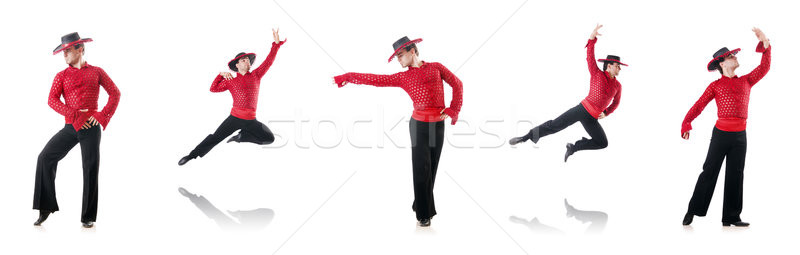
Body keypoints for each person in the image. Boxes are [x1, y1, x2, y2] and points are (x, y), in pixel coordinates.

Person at [333, 36, 463, 227]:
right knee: (421, 169)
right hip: (419, 125)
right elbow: (376, 80)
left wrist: (453, 110)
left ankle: (420, 203)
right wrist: (349, 76)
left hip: (438, 125)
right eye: (396, 57)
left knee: (432, 167)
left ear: (412, 51)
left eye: (400, 55)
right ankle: (423, 215)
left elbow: (457, 84)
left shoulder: (436, 67)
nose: (398, 60)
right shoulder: (403, 77)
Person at [681, 28, 771, 227]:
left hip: (740, 136)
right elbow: (699, 105)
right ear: (722, 64)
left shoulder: (747, 80)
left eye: (733, 55)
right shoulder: (715, 86)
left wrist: (766, 46)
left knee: (736, 174)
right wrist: (687, 123)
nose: (735, 57)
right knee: (709, 171)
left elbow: (764, 67)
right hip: (721, 135)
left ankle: (731, 216)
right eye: (730, 56)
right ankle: (693, 210)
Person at [33, 32, 121, 228]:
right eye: (63, 51)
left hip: (91, 127)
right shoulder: (61, 76)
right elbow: (52, 100)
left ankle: (88, 217)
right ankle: (45, 207)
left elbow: (115, 93)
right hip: (71, 126)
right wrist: (73, 114)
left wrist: (100, 116)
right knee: (45, 157)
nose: (64, 55)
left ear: (79, 49)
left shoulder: (97, 71)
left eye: (67, 51)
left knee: (90, 169)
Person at [509, 24, 624, 162]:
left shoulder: (618, 86)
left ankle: (573, 147)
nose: (619, 69)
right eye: (617, 66)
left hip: (592, 119)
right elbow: (590, 57)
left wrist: (606, 112)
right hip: (582, 110)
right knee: (554, 125)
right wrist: (592, 38)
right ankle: (526, 137)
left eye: (620, 66)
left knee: (602, 143)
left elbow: (616, 103)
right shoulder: (597, 73)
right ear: (609, 66)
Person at [179, 29, 285, 166]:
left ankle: (241, 137)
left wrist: (276, 45)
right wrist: (221, 75)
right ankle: (191, 155)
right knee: (215, 138)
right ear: (237, 65)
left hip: (251, 120)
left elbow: (269, 61)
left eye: (248, 60)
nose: (247, 61)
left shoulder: (256, 75)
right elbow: (213, 89)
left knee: (269, 138)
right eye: (243, 60)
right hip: (234, 118)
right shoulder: (231, 80)